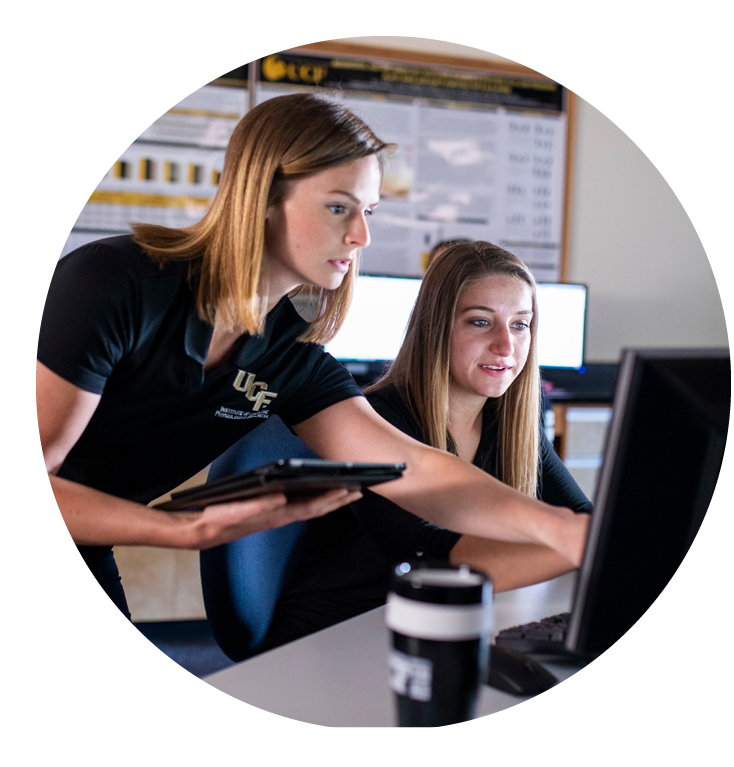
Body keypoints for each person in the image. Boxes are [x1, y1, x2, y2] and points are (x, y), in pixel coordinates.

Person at [35, 93, 587, 726]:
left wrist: (562, 529)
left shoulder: (287, 351)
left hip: (66, 559)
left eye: (369, 211)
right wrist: (177, 531)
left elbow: (415, 469)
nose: (363, 235)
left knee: (114, 729)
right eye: (338, 207)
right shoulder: (113, 284)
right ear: (262, 196)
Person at [253, 241, 592, 652]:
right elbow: (433, 562)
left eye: (520, 324)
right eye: (480, 323)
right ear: (437, 327)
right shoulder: (380, 421)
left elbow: (580, 517)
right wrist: (589, 543)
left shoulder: (513, 420)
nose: (506, 345)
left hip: (439, 628)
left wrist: (592, 536)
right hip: (337, 640)